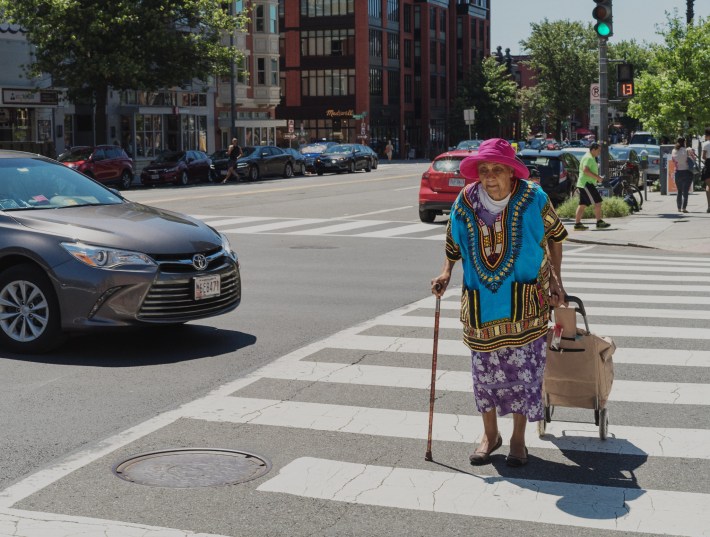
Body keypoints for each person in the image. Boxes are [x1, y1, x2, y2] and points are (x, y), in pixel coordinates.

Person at [430, 138, 568, 468]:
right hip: (481, 305)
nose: (489, 176)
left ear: (511, 171)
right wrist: (445, 272)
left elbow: (555, 236)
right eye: (484, 170)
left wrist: (557, 281)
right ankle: (490, 436)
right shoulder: (466, 200)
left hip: (526, 302)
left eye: (496, 169)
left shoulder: (534, 197)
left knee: (524, 372)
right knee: (484, 374)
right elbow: (453, 241)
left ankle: (519, 439)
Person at [574, 142, 611, 230]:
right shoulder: (589, 158)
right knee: (598, 202)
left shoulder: (589, 157)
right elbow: (585, 170)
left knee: (582, 205)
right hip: (586, 184)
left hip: (583, 184)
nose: (599, 152)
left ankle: (577, 224)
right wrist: (598, 178)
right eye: (598, 150)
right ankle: (599, 222)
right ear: (593, 149)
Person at [671, 137, 695, 213]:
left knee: (679, 191)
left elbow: (673, 160)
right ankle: (684, 208)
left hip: (677, 172)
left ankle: (678, 208)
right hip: (686, 172)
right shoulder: (686, 150)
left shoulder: (674, 150)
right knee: (685, 191)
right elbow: (693, 160)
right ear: (684, 142)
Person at [701, 129, 710, 213]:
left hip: (708, 164)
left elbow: (703, 156)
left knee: (708, 186)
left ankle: (709, 206)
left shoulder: (706, 144)